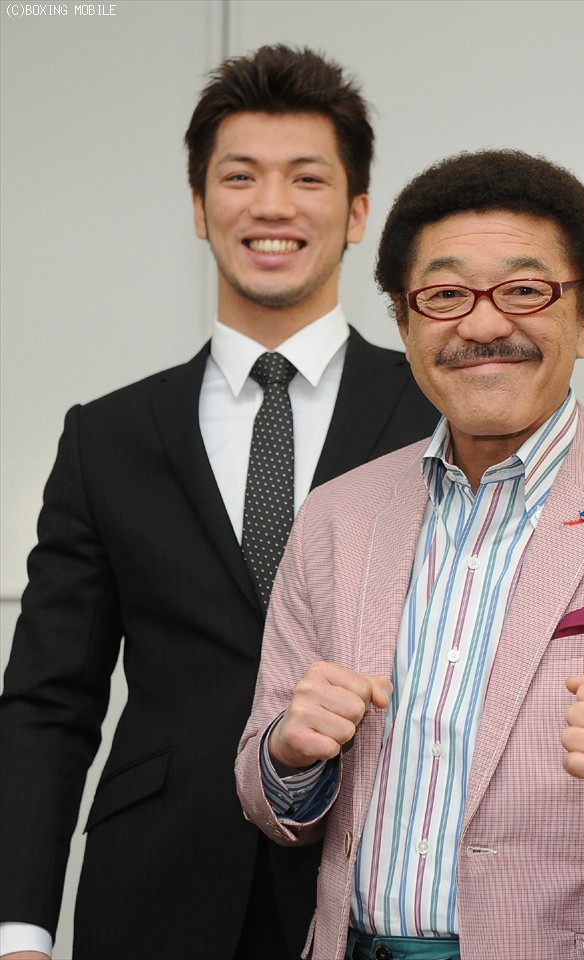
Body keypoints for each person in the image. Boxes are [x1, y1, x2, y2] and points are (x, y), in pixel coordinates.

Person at [0, 46, 439, 960]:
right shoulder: (106, 435)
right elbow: (48, 701)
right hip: (155, 886)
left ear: (358, 212)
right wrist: (20, 928)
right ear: (200, 209)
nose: (272, 205)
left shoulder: (436, 414)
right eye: (240, 176)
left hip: (374, 879)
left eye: (307, 177)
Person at [236, 149, 584, 960]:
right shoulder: (335, 518)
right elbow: (262, 793)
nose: (485, 325)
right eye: (446, 295)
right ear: (405, 322)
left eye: (526, 290)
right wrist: (287, 754)